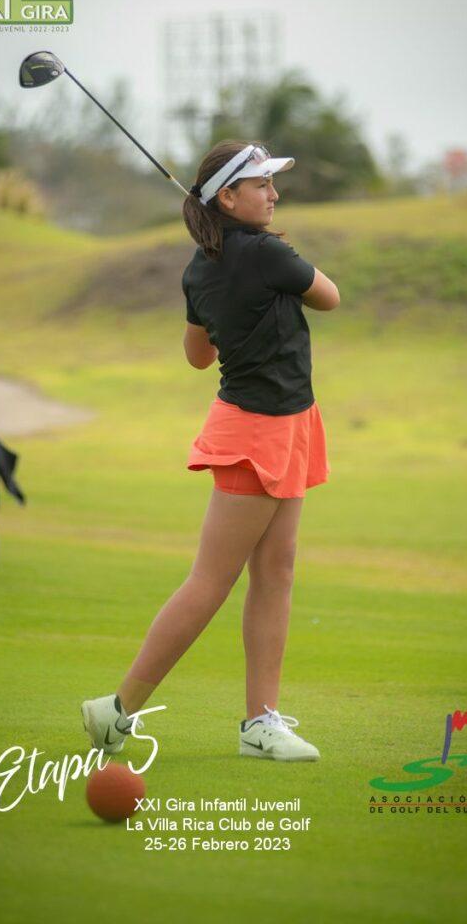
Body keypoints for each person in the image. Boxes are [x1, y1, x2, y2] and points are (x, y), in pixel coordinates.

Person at [82, 141, 340, 762]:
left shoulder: (201, 267)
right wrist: (265, 272)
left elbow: (197, 355)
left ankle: (261, 723)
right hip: (257, 430)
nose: (274, 194)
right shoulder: (268, 253)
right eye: (262, 185)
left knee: (276, 571)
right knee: (211, 580)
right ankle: (117, 710)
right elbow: (329, 296)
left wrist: (231, 294)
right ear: (227, 197)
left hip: (284, 420)